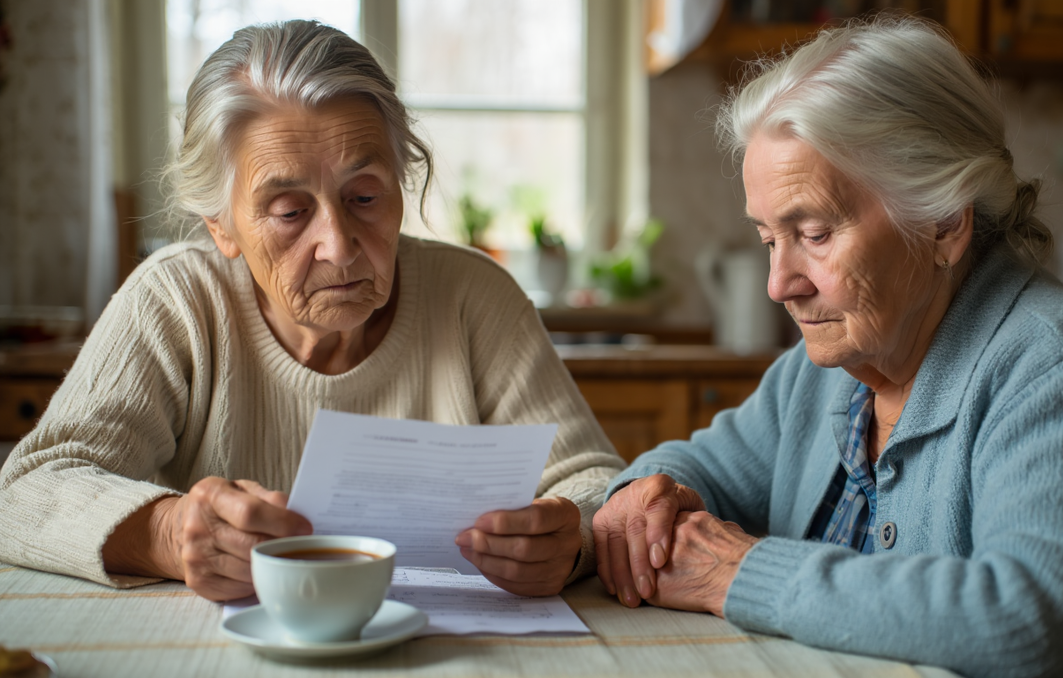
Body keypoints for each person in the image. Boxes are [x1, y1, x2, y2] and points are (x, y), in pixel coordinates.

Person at [593, 16, 1063, 677]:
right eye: (770, 239)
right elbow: (703, 467)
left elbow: (1041, 631)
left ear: (943, 224)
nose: (779, 284)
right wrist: (639, 500)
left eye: (816, 233)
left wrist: (740, 571)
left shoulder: (1055, 367)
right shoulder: (831, 367)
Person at [0, 20, 624, 602]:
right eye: (290, 212)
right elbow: (26, 493)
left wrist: (574, 536)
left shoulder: (474, 297)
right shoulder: (175, 301)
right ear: (221, 226)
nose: (339, 244)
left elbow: (594, 478)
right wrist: (168, 532)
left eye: (365, 196)